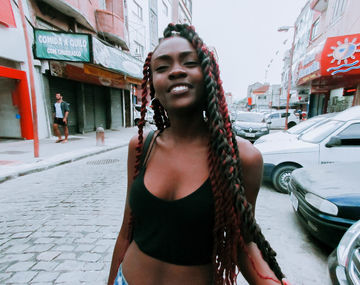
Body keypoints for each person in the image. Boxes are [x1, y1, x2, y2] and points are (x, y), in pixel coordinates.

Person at [108, 24, 290, 285]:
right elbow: (126, 232)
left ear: (209, 78)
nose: (176, 71)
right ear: (153, 88)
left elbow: (243, 244)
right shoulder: (141, 147)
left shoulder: (241, 158)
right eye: (162, 68)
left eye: (189, 63)